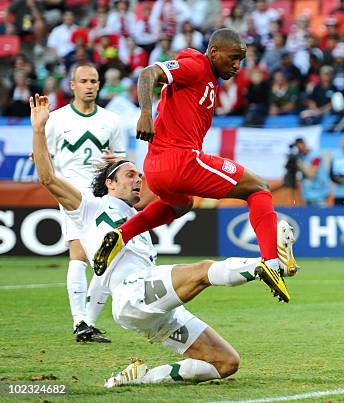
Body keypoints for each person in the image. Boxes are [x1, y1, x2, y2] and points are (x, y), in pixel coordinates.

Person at [30, 94, 298, 388]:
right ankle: (267, 263)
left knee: (225, 362)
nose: (138, 180)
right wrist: (40, 130)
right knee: (202, 271)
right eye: (130, 175)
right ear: (110, 183)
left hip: (157, 308)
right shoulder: (88, 207)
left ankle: (143, 377)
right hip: (133, 292)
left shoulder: (139, 215)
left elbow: (181, 199)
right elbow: (48, 178)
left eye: (139, 176)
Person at [92, 28, 296, 303]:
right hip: (182, 160)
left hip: (156, 167)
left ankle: (121, 235)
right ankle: (271, 263)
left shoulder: (208, 78)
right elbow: (148, 74)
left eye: (241, 60)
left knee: (182, 204)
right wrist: (144, 114)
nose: (237, 66)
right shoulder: (197, 66)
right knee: (258, 188)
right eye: (233, 58)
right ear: (214, 52)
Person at [44, 63, 126, 343]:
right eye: (84, 81)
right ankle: (80, 320)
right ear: (73, 85)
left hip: (103, 198)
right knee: (78, 253)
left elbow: (122, 162)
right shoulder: (56, 119)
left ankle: (88, 323)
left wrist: (115, 162)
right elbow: (40, 154)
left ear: (100, 84)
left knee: (107, 257)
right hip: (72, 194)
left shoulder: (111, 121)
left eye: (94, 80)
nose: (89, 85)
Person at [294, 138, 329, 207]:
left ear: (303, 144)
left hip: (319, 194)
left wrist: (298, 163)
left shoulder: (315, 156)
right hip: (307, 195)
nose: (298, 149)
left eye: (298, 147)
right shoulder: (301, 157)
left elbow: (311, 174)